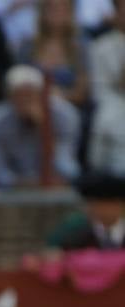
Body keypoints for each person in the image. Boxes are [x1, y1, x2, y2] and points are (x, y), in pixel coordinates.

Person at [0, 65, 81, 188]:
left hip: (57, 188)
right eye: (19, 96)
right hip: (14, 192)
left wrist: (44, 129)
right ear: (9, 97)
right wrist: (21, 183)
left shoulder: (65, 115)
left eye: (29, 95)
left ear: (42, 95)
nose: (25, 102)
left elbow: (68, 169)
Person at [17, 0, 91, 109]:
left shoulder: (80, 46)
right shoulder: (27, 45)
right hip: (30, 106)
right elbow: (17, 82)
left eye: (63, 8)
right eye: (52, 8)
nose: (57, 13)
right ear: (42, 11)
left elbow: (82, 92)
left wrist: (59, 97)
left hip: (69, 107)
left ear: (71, 12)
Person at [88, 0, 125, 176]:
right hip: (113, 101)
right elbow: (99, 90)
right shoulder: (100, 46)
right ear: (116, 13)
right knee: (107, 119)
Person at [45, 172, 125, 250]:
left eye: (111, 204)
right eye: (99, 204)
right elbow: (51, 250)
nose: (105, 210)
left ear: (122, 205)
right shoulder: (73, 233)